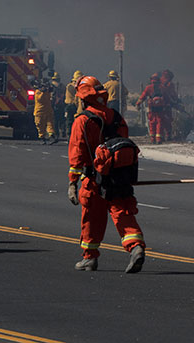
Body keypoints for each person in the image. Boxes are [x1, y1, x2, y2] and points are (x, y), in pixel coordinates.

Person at [67, 75, 145, 273]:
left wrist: (72, 182)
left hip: (94, 180)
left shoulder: (82, 120)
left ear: (84, 98)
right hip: (118, 178)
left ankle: (89, 258)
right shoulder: (117, 117)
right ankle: (135, 247)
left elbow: (77, 154)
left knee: (92, 218)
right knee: (123, 213)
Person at [135, 73, 169, 144]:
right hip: (160, 109)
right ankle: (159, 139)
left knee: (152, 123)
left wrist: (138, 104)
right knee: (160, 123)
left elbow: (142, 97)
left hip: (152, 108)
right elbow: (166, 98)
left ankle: (153, 139)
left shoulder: (148, 88)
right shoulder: (162, 87)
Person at [157, 69, 181, 142]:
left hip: (161, 106)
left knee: (162, 122)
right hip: (164, 106)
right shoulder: (167, 85)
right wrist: (176, 101)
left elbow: (173, 95)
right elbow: (172, 95)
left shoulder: (158, 83)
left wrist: (176, 100)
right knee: (165, 121)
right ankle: (166, 136)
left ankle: (162, 137)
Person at [32, 78, 57, 144]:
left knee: (46, 125)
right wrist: (44, 91)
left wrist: (46, 90)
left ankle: (49, 136)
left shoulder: (42, 92)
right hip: (43, 111)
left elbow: (41, 99)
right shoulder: (41, 92)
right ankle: (46, 137)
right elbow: (41, 99)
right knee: (44, 125)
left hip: (43, 111)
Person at [64, 70, 82, 136]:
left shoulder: (74, 86)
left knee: (73, 122)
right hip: (71, 106)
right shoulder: (70, 86)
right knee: (70, 122)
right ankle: (70, 136)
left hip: (74, 106)